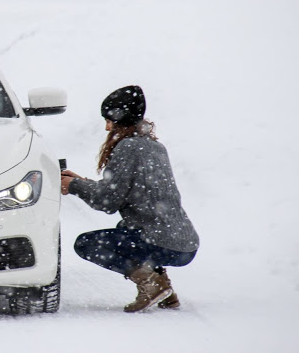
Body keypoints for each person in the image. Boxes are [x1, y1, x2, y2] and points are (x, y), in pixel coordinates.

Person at [61, 85, 199, 313]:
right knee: (127, 230)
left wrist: (73, 186)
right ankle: (165, 291)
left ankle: (151, 284)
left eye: (109, 119)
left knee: (87, 244)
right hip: (184, 244)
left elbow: (107, 201)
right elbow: (121, 191)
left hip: (161, 242)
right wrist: (82, 181)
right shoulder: (154, 146)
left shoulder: (128, 147)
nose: (106, 127)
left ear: (120, 117)